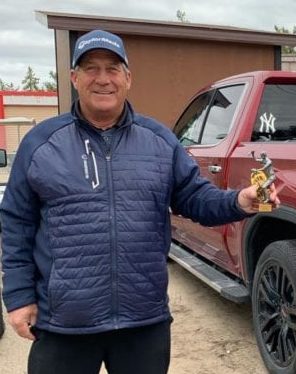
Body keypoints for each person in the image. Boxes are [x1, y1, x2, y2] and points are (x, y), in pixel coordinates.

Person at [0, 29, 279, 374]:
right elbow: (17, 222)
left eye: (113, 69)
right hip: (65, 323)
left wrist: (240, 200)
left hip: (142, 321)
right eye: (91, 68)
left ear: (128, 78)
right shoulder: (41, 143)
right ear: (74, 78)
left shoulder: (159, 141)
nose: (103, 79)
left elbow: (194, 199)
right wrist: (19, 297)